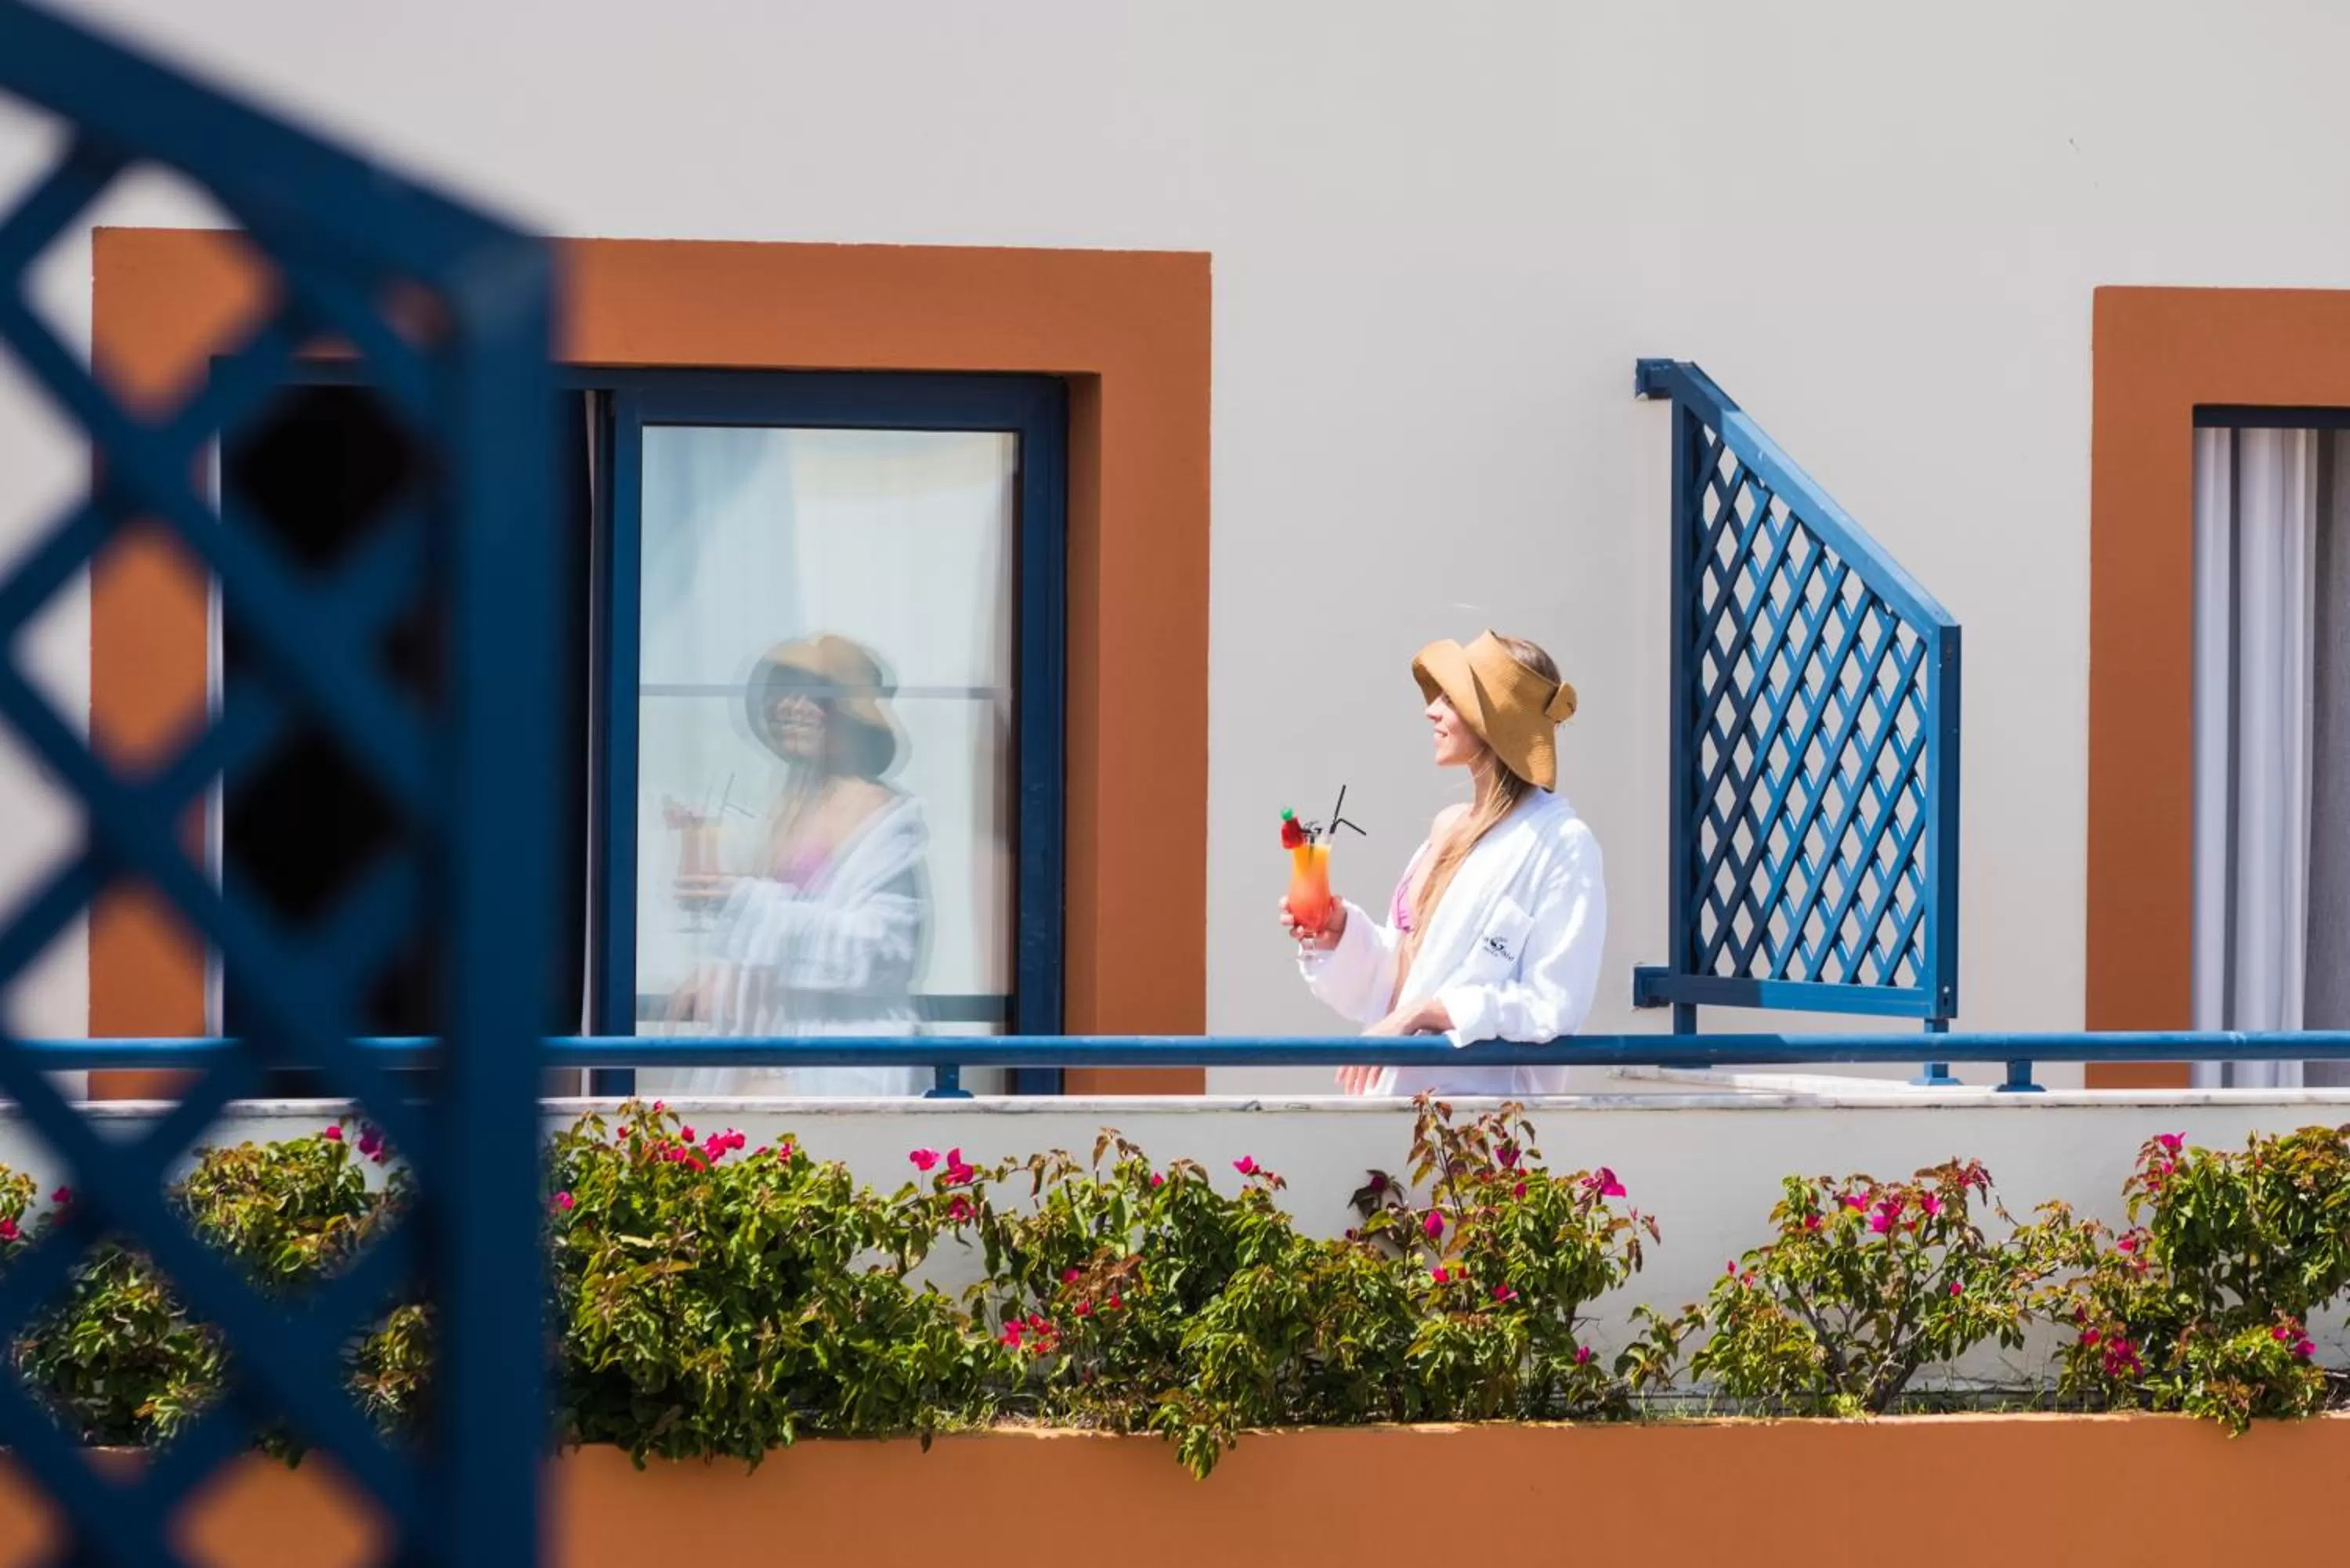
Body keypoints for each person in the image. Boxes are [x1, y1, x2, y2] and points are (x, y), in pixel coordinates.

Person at [1280, 630, 1605, 1097]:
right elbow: (1398, 979)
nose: (1430, 710)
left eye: (1451, 699)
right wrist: (1341, 933)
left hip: (1475, 1129)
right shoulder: (1448, 827)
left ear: (1492, 718)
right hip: (1390, 1108)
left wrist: (1430, 1012)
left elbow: (1553, 1004)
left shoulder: (1562, 846)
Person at [644, 633, 931, 1098]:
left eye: (813, 695)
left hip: (839, 1069)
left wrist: (747, 904)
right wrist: (721, 971)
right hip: (759, 1059)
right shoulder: (781, 806)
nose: (790, 706)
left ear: (850, 713)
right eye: (778, 692)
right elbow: (763, 927)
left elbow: (884, 952)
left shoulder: (883, 819)